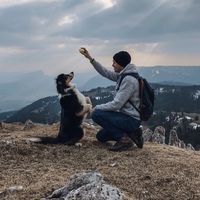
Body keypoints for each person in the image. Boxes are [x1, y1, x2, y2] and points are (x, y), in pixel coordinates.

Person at [80, 48, 143, 151]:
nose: (112, 64)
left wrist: (96, 108)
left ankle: (125, 140)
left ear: (121, 64)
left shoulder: (129, 80)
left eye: (114, 62)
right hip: (125, 117)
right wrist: (90, 59)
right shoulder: (123, 76)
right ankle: (133, 133)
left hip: (131, 119)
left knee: (96, 114)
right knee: (100, 137)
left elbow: (116, 104)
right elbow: (105, 72)